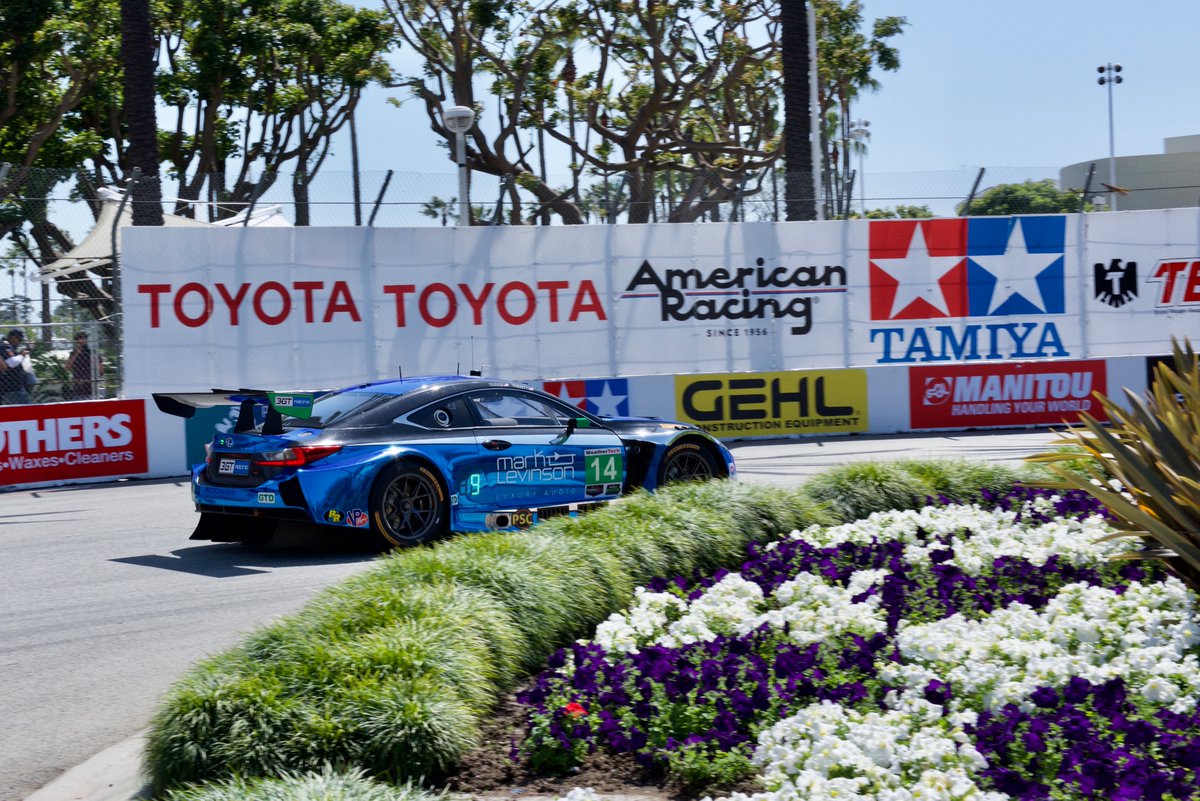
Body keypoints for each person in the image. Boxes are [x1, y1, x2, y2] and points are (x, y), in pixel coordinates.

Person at [66, 331, 101, 400]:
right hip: (78, 385)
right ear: (77, 342)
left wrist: (94, 361)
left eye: (84, 339)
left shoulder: (92, 353)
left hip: (91, 385)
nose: (83, 341)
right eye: (80, 341)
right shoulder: (73, 353)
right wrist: (76, 354)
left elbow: (101, 369)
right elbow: (67, 367)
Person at [0, 328, 31, 404]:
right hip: (11, 387)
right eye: (19, 339)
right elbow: (10, 363)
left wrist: (27, 350)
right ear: (13, 337)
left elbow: (14, 358)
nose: (20, 342)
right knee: (27, 408)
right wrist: (22, 355)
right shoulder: (5, 346)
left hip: (13, 387)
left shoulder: (9, 346)